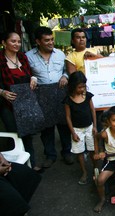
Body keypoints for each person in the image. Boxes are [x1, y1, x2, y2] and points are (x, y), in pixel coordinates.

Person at [25, 26, 73, 168]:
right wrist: (32, 78)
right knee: (46, 127)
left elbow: (66, 70)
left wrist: (65, 76)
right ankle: (50, 155)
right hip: (41, 92)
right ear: (38, 41)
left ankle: (67, 152)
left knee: (64, 124)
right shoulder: (28, 56)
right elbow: (27, 73)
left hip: (60, 90)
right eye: (47, 40)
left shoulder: (60, 54)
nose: (51, 42)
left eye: (52, 39)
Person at [0, 31, 40, 171]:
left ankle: (31, 164)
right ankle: (15, 168)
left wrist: (33, 79)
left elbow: (30, 73)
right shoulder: (0, 60)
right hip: (8, 105)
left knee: (28, 134)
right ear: (4, 43)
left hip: (25, 103)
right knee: (15, 135)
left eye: (18, 41)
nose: (17, 44)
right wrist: (2, 92)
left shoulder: (22, 57)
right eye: (13, 41)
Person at [63, 71, 97, 185]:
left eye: (83, 86)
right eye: (79, 87)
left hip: (89, 127)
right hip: (77, 130)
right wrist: (73, 132)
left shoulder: (87, 96)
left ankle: (95, 170)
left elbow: (93, 110)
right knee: (79, 152)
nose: (82, 89)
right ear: (72, 86)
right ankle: (84, 172)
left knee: (93, 150)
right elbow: (68, 117)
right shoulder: (68, 100)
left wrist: (95, 126)